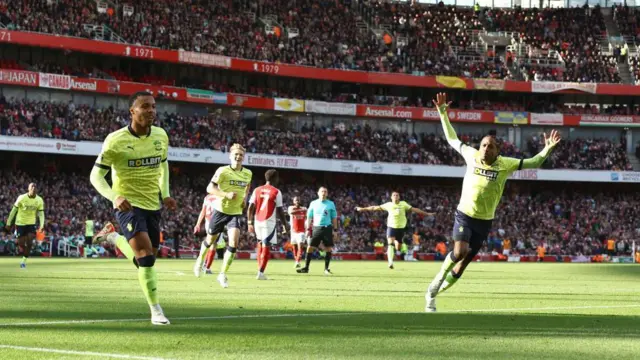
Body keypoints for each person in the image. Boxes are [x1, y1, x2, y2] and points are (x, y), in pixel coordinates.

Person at [425, 92, 560, 312]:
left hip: (484, 221)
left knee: (462, 265)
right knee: (459, 251)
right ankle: (435, 283)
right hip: (465, 215)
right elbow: (451, 139)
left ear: (498, 151)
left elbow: (534, 162)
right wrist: (442, 112)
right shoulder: (471, 155)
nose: (486, 148)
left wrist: (547, 149)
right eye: (484, 145)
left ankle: (432, 295)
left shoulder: (505, 164)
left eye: (490, 146)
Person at [90, 91, 177, 325]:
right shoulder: (115, 140)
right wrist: (114, 196)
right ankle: (156, 310)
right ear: (132, 111)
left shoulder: (160, 136)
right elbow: (96, 175)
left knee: (146, 260)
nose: (151, 111)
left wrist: (166, 194)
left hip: (152, 204)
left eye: (153, 107)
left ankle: (113, 238)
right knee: (146, 259)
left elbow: (163, 165)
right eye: (145, 107)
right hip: (128, 205)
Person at [203, 143, 252, 288]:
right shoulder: (222, 171)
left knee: (234, 242)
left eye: (241, 155)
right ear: (230, 156)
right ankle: (200, 260)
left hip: (235, 212)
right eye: (236, 154)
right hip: (219, 211)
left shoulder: (248, 173)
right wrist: (225, 194)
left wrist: (244, 199)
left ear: (244, 158)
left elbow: (247, 187)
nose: (238, 157)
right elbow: (210, 188)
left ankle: (222, 274)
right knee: (210, 241)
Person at [356, 191, 433, 269]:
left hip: (401, 229)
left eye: (397, 195)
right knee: (390, 244)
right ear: (391, 197)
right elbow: (374, 207)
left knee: (398, 247)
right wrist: (362, 209)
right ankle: (390, 262)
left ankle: (397, 248)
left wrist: (426, 213)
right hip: (391, 227)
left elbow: (414, 209)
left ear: (399, 197)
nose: (395, 196)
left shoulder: (403, 204)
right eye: (394, 195)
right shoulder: (388, 205)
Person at [247, 169, 288, 280]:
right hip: (268, 222)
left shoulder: (257, 190)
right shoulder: (276, 192)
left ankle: (260, 271)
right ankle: (261, 273)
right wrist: (285, 225)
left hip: (257, 221)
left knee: (260, 245)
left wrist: (249, 222)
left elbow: (250, 207)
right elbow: (280, 211)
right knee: (266, 246)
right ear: (276, 178)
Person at [297, 187, 337, 275]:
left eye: (325, 191)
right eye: (322, 191)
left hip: (327, 228)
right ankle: (306, 268)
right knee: (310, 247)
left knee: (329, 248)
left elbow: (334, 217)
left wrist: (335, 230)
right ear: (318, 193)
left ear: (327, 193)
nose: (323, 193)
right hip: (316, 228)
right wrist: (308, 229)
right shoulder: (313, 203)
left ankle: (326, 269)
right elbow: (309, 217)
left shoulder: (331, 204)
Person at [5, 183, 45, 268]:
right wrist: (8, 223)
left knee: (30, 242)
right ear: (28, 188)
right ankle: (19, 243)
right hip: (20, 223)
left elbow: (41, 214)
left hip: (31, 223)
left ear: (37, 189)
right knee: (21, 243)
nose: (34, 188)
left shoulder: (39, 200)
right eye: (32, 186)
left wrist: (41, 225)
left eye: (35, 186)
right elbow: (13, 211)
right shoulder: (22, 198)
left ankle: (23, 261)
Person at [192, 193, 220, 277]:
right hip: (216, 220)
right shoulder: (220, 195)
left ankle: (205, 265)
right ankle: (206, 267)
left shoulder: (207, 197)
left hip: (208, 221)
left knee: (211, 243)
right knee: (213, 244)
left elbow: (203, 211)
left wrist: (198, 224)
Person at [287, 196, 307, 268]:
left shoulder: (304, 209)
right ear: (293, 202)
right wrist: (301, 210)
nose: (297, 201)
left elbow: (307, 216)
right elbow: (291, 212)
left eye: (298, 200)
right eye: (296, 200)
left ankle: (298, 261)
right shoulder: (291, 208)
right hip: (293, 231)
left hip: (301, 231)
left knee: (300, 245)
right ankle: (296, 261)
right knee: (294, 247)